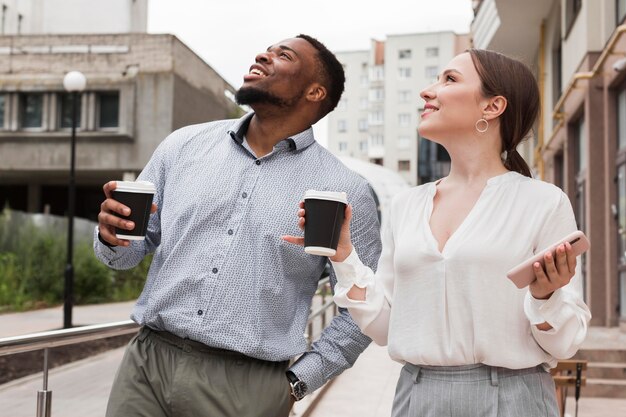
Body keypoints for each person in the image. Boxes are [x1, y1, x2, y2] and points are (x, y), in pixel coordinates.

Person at [284, 49, 591, 417]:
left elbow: (565, 342)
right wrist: (345, 257)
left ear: (492, 107)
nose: (427, 92)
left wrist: (545, 297)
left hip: (512, 398)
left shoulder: (543, 202)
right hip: (417, 395)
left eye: (449, 79)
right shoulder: (406, 205)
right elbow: (384, 328)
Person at [94, 34, 382, 417]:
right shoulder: (182, 146)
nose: (263, 54)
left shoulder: (346, 191)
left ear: (315, 92)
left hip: (247, 389)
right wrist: (111, 236)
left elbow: (360, 313)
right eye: (268, 48)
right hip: (146, 367)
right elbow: (124, 258)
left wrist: (297, 383)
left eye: (284, 55)